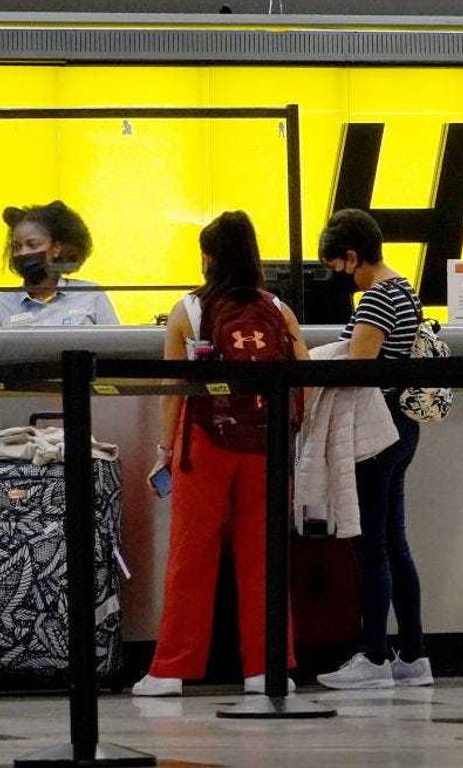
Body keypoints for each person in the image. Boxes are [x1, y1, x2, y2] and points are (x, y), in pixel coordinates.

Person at [132, 210, 310, 698]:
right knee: (264, 556)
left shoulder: (187, 311)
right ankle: (268, 668)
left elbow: (175, 388)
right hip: (267, 445)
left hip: (204, 443)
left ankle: (170, 671)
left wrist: (166, 449)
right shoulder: (279, 309)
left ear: (208, 258)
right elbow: (305, 380)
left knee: (192, 555)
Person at [315, 208, 434, 690]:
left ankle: (374, 656)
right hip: (401, 430)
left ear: (351, 255)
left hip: (376, 435)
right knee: (395, 544)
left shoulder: (378, 300)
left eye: (337, 266)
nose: (338, 277)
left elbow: (359, 367)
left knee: (372, 549)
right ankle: (413, 654)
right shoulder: (404, 289)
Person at [0, 200, 119, 326]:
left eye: (32, 245)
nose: (23, 253)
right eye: (17, 247)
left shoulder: (91, 295)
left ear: (56, 249)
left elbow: (118, 346)